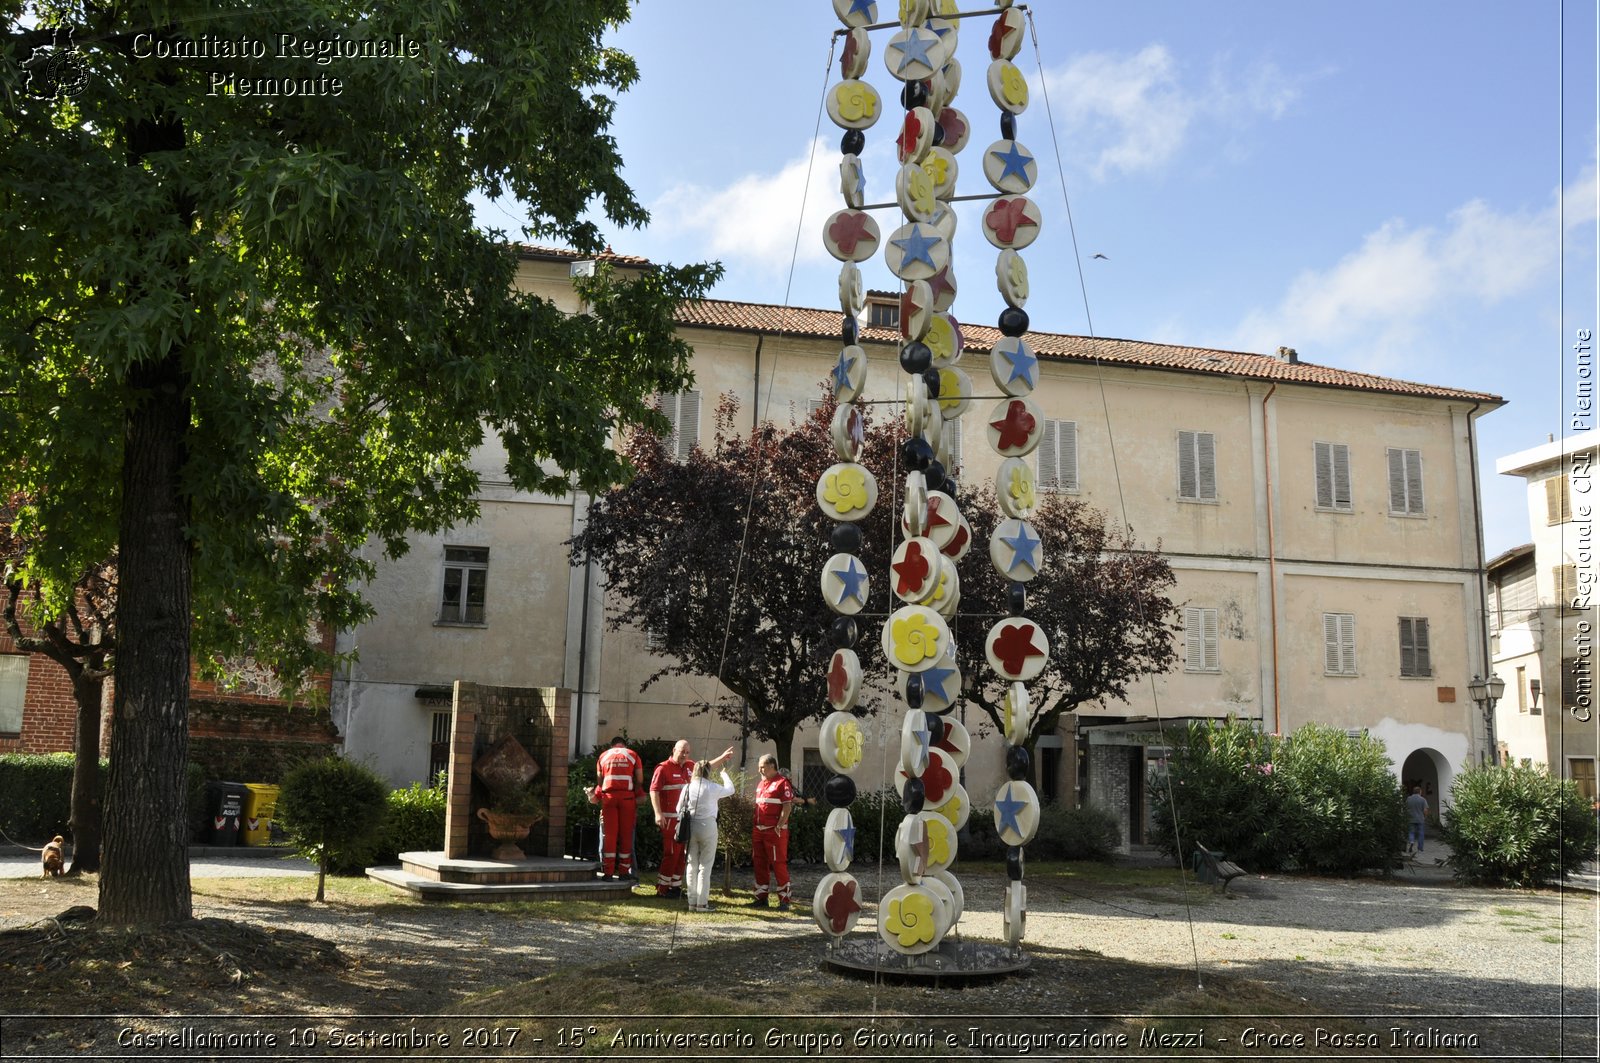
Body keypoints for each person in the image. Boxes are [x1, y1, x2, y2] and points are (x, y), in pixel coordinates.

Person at [678, 746, 737, 912]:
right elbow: (730, 789)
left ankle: (691, 902)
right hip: (708, 826)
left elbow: (678, 809)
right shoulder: (712, 787)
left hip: (691, 826)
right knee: (705, 865)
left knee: (691, 864)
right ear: (708, 772)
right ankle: (702, 903)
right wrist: (724, 774)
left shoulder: (687, 788)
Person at [650, 740, 695, 897]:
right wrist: (658, 813)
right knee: (671, 853)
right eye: (682, 751)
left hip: (684, 819)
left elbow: (706, 767)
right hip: (669, 819)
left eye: (687, 752)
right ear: (674, 750)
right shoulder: (663, 768)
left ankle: (675, 886)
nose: (684, 755)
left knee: (682, 854)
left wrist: (723, 758)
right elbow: (654, 791)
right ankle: (663, 888)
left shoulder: (691, 766)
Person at [750, 753, 795, 911]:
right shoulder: (762, 784)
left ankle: (784, 899)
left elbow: (787, 806)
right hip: (759, 830)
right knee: (759, 863)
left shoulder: (782, 783)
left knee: (778, 864)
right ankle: (761, 897)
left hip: (774, 832)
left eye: (762, 766)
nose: (759, 770)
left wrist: (779, 825)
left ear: (771, 766)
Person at [595, 736, 643, 880]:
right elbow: (639, 779)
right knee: (626, 835)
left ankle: (608, 872)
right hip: (627, 798)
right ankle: (623, 872)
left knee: (609, 836)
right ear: (624, 745)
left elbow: (599, 779)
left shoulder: (603, 756)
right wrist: (634, 792)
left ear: (612, 745)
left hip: (608, 798)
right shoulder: (632, 754)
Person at [1406, 785, 1430, 853]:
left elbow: (1406, 808)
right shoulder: (1422, 799)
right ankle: (1420, 848)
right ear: (1419, 792)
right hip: (1420, 819)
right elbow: (1425, 810)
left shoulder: (1409, 799)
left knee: (1411, 832)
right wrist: (1425, 816)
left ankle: (1411, 841)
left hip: (1411, 818)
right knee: (1421, 833)